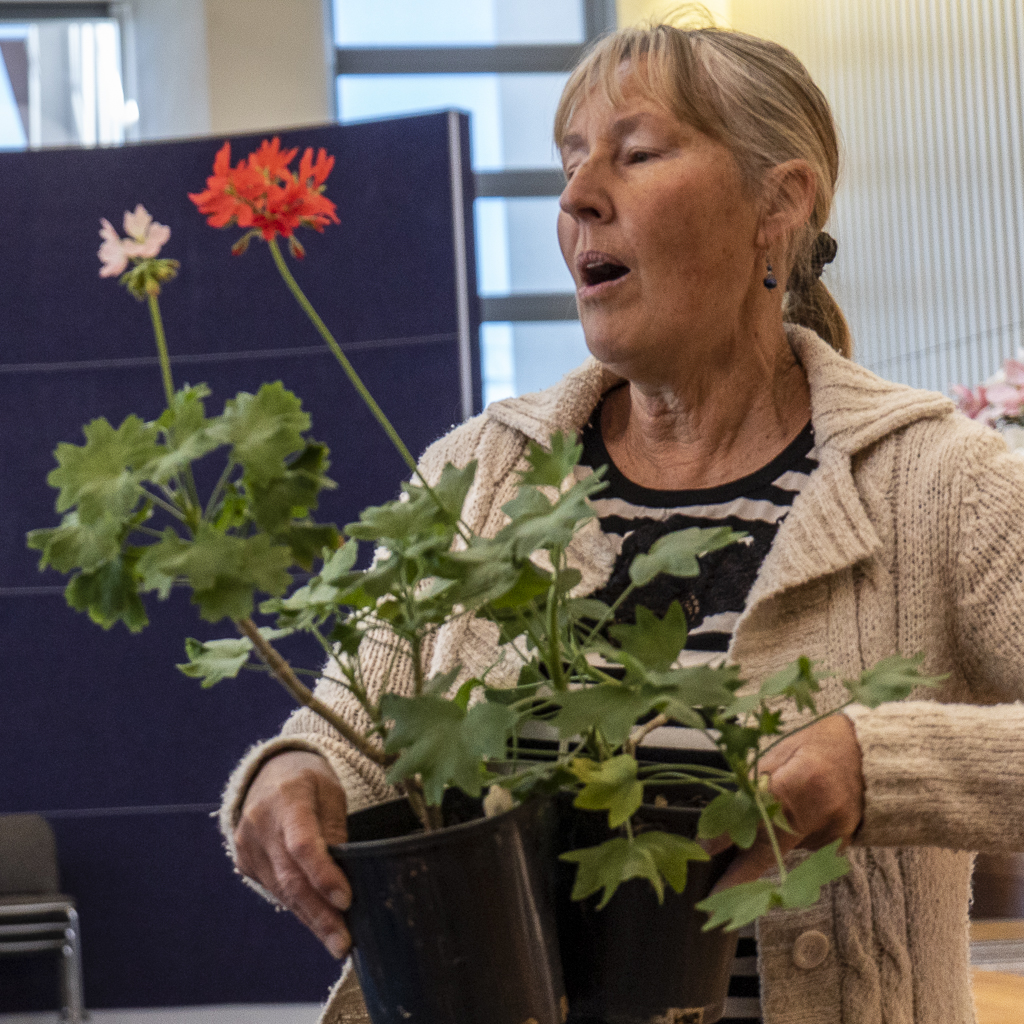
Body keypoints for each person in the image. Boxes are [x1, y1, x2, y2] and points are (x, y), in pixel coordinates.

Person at [219, 19, 1024, 1024]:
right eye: (570, 160)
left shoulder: (933, 481)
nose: (576, 196)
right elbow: (356, 735)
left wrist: (879, 763)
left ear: (778, 204)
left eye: (635, 153)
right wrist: (296, 776)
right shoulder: (476, 477)